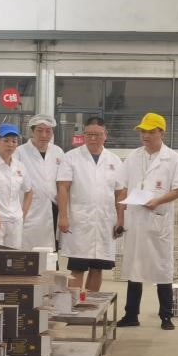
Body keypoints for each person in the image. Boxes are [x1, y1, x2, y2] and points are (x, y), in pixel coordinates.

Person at [118, 112, 178, 330]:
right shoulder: (133, 156)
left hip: (158, 219)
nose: (145, 136)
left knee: (162, 268)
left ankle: (166, 316)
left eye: (151, 132)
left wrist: (158, 200)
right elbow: (122, 186)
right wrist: (120, 217)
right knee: (134, 267)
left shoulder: (172, 158)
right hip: (135, 220)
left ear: (162, 133)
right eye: (142, 132)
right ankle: (131, 315)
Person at [56, 116, 126, 292]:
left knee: (98, 267)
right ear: (84, 135)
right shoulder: (71, 157)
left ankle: (89, 303)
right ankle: (73, 303)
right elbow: (63, 187)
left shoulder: (114, 160)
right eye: (89, 134)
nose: (93, 138)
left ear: (105, 135)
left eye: (97, 134)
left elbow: (120, 192)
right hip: (79, 221)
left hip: (104, 221)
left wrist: (120, 219)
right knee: (77, 268)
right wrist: (63, 217)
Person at [15, 114, 66, 250]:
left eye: (48, 131)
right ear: (32, 132)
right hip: (28, 208)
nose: (44, 135)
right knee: (27, 250)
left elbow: (63, 181)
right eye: (39, 130)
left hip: (52, 207)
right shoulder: (19, 152)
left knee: (50, 251)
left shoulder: (58, 152)